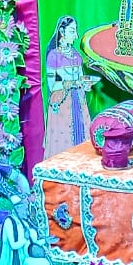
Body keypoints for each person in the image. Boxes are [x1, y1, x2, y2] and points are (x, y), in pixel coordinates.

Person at [42, 15, 95, 158]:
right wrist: (70, 83)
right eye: (72, 31)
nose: (76, 36)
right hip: (61, 103)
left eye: (75, 31)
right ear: (62, 32)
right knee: (63, 143)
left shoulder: (76, 55)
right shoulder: (53, 56)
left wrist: (85, 84)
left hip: (78, 102)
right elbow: (52, 85)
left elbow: (80, 78)